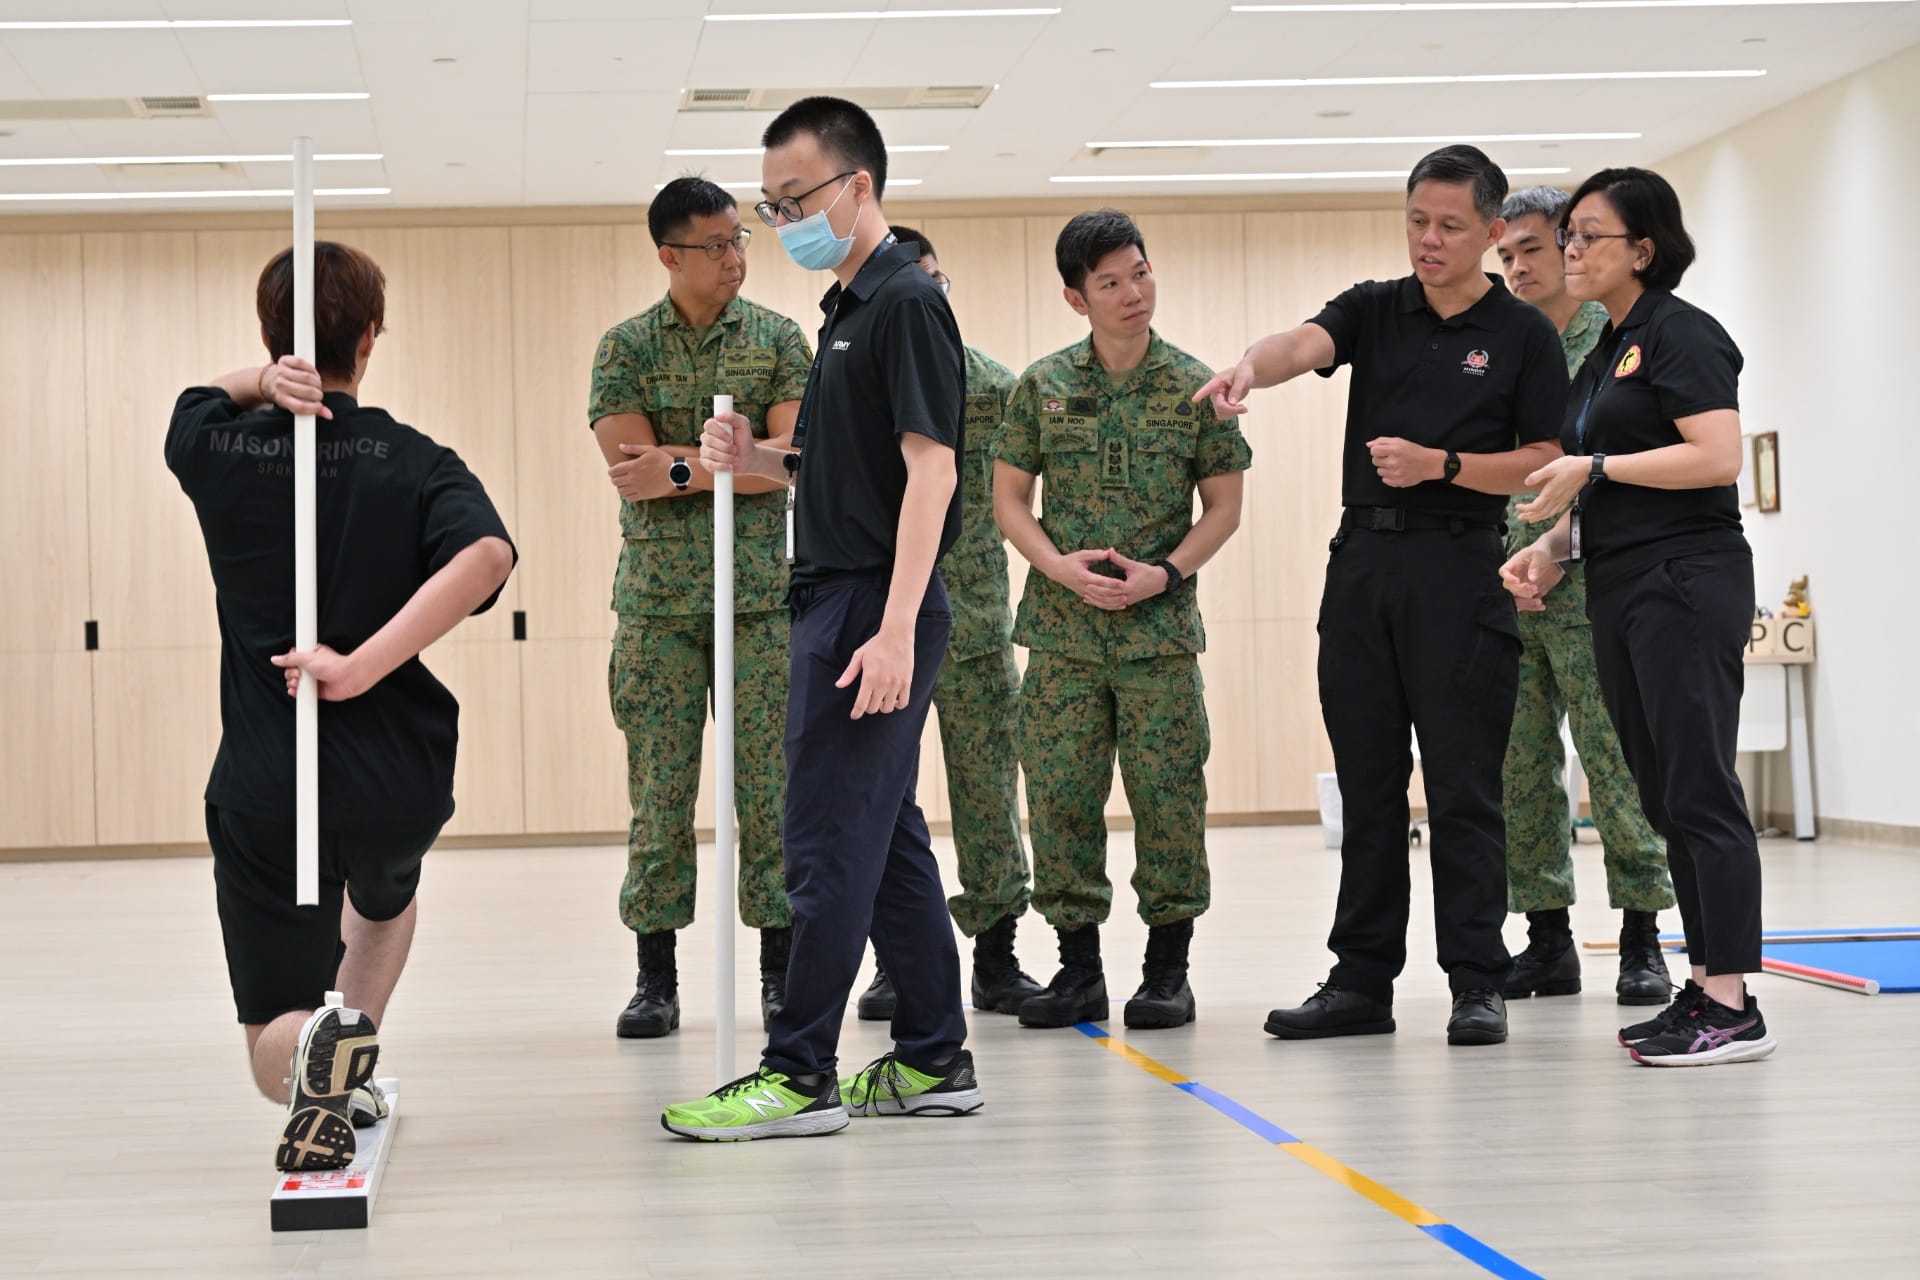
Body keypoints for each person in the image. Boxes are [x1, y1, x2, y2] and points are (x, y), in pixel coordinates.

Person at [1197, 146, 1568, 1047]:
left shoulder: (1524, 335)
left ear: (1490, 232)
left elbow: (1545, 462)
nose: (1429, 241)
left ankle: (1477, 980)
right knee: (1368, 787)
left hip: (1461, 571)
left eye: (1449, 226)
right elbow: (1302, 344)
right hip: (1363, 568)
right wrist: (1250, 365)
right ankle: (1362, 980)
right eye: (1416, 221)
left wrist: (1443, 466)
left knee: (1463, 789)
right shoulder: (1376, 307)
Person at [662, 97, 980, 1140]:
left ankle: (800, 1074)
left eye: (796, 198)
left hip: (867, 602)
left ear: (857, 186)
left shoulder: (904, 302)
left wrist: (893, 628)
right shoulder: (845, 311)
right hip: (835, 590)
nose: (784, 219)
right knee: (884, 839)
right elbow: (846, 466)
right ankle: (936, 1054)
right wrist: (752, 459)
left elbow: (932, 473)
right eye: (773, 203)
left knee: (824, 841)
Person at [165, 242, 517, 1170]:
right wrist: (361, 665)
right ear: (370, 336)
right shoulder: (413, 459)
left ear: (271, 338)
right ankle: (349, 1044)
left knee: (267, 1040)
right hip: (395, 774)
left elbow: (199, 402)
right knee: (385, 900)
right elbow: (487, 558)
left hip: (269, 784)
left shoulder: (215, 446)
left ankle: (314, 1055)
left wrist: (258, 382)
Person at [1503, 167, 1774, 1066]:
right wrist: (1550, 550)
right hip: (1619, 579)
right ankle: (1704, 987)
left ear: (1643, 250)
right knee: (1664, 793)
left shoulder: (1681, 334)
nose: (1570, 250)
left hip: (1685, 580)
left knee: (1700, 789)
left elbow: (1716, 455)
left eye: (1588, 236)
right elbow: (1593, 479)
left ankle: (1732, 1002)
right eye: (1569, 235)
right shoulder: (1606, 349)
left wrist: (1600, 472)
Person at [994, 210, 1250, 1030]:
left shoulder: (1195, 386)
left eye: (1140, 273)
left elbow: (1223, 508)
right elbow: (1007, 498)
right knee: (1062, 797)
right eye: (1111, 282)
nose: (1133, 293)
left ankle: (1167, 971)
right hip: (1064, 638)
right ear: (1078, 298)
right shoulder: (1043, 385)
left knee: (1169, 796)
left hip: (1159, 637)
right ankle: (1077, 971)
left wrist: (1164, 574)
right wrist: (1056, 564)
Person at [588, 176, 813, 1041]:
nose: (735, 258)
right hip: (659, 608)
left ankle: (778, 971)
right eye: (716, 245)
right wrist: (728, 459)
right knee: (660, 791)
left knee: (772, 790)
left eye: (740, 241)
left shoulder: (779, 339)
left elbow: (795, 459)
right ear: (669, 256)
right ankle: (656, 976)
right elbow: (629, 468)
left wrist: (686, 467)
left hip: (760, 600)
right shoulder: (625, 348)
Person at [854, 224, 1041, 1023]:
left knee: (988, 792)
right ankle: (898, 962)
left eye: (933, 281)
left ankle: (997, 955)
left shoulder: (997, 388)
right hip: (888, 620)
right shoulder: (862, 383)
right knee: (884, 799)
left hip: (973, 623)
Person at [1493, 186, 1675, 1006]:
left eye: (1534, 249)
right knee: (1519, 767)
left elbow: (1632, 477)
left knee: (1617, 764)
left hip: (1598, 586)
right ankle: (1546, 938)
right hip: (1509, 590)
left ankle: (1642, 937)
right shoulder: (1504, 349)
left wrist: (1560, 551)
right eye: (1507, 256)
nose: (1520, 267)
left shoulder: (1621, 348)